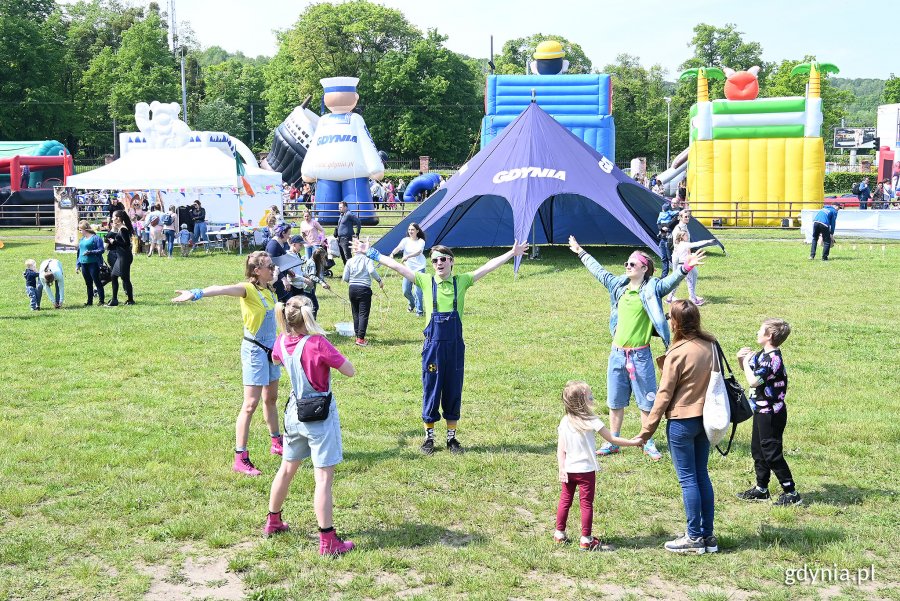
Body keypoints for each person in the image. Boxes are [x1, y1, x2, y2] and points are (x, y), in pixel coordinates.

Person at [358, 238, 529, 454]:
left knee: (453, 389)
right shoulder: (425, 282)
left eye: (443, 259)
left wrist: (512, 253)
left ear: (451, 262)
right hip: (433, 348)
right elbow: (398, 267)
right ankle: (429, 438)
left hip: (455, 348)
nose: (439, 263)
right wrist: (371, 253)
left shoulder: (462, 281)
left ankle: (451, 438)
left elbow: (487, 267)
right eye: (435, 260)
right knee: (431, 388)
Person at [568, 236, 705, 461]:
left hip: (641, 355)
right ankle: (613, 440)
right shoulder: (619, 285)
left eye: (632, 264)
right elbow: (599, 271)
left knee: (646, 401)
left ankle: (646, 440)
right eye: (626, 263)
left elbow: (670, 281)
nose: (627, 266)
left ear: (644, 268)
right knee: (615, 400)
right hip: (617, 354)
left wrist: (685, 266)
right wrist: (581, 251)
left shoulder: (652, 288)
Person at [172, 251, 284, 476]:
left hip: (272, 351)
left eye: (273, 266)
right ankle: (240, 457)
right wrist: (196, 293)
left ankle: (276, 443)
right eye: (269, 266)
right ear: (256, 271)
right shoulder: (247, 289)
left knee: (271, 398)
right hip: (254, 351)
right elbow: (220, 288)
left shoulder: (269, 289)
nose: (273, 269)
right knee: (250, 404)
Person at [264, 295, 356, 555]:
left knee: (286, 469)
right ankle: (328, 540)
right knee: (323, 478)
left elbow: (275, 359)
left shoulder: (282, 341)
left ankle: (273, 521)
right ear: (310, 314)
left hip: (294, 413)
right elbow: (349, 371)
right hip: (319, 415)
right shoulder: (318, 343)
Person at [631, 300, 718, 554]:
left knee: (688, 479)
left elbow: (663, 395)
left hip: (682, 422)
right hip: (706, 420)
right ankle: (707, 536)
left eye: (670, 317)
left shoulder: (677, 352)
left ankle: (692, 538)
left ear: (676, 322)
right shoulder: (711, 345)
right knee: (702, 475)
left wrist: (646, 431)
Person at [555, 381, 640, 551]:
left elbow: (561, 450)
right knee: (586, 503)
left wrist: (562, 468)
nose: (593, 398)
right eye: (590, 396)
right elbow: (612, 440)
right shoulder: (592, 420)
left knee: (565, 501)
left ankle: (559, 534)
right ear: (582, 401)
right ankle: (586, 539)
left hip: (569, 470)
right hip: (586, 471)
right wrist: (633, 442)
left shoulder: (565, 421)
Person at [736, 318, 802, 506]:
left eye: (760, 330)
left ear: (769, 336)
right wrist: (741, 359)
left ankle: (791, 492)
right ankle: (761, 488)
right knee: (758, 450)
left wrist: (747, 365)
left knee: (771, 452)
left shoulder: (773, 359)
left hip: (772, 413)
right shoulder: (762, 355)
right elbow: (748, 370)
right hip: (761, 410)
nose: (757, 332)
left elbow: (753, 381)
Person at [342, 243, 384, 346]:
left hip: (352, 288)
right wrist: (379, 280)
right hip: (364, 288)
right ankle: (360, 339)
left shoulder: (349, 261)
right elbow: (371, 270)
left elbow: (345, 278)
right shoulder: (367, 259)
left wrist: (353, 282)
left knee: (355, 313)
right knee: (363, 314)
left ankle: (358, 336)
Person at [389, 223, 427, 316]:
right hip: (408, 268)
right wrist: (392, 254)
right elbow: (398, 248)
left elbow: (419, 252)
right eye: (409, 229)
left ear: (417, 231)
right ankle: (412, 303)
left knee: (418, 291)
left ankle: (419, 312)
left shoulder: (421, 241)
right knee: (406, 290)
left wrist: (407, 256)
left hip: (419, 268)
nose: (410, 231)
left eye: (412, 230)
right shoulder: (405, 240)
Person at [105, 210, 136, 306]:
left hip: (125, 257)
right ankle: (114, 300)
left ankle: (130, 300)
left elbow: (126, 244)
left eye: (113, 217)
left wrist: (114, 242)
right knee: (114, 276)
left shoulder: (123, 229)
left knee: (125, 278)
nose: (112, 218)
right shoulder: (119, 229)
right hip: (121, 256)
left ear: (118, 218)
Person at [75, 220, 105, 306]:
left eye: (81, 229)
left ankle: (101, 301)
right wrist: (77, 264)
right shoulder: (82, 239)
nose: (80, 231)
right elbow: (79, 253)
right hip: (84, 263)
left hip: (93, 263)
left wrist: (90, 252)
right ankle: (89, 301)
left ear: (86, 229)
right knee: (88, 283)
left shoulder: (96, 238)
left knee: (97, 282)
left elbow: (101, 250)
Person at [295, 247, 330, 318]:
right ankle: (310, 323)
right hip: (306, 288)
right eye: (323, 257)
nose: (323, 258)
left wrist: (324, 282)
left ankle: (310, 323)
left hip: (311, 288)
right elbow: (312, 276)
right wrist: (321, 283)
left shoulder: (316, 262)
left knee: (313, 307)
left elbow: (318, 275)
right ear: (319, 257)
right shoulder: (312, 263)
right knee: (313, 307)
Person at [656, 196, 683, 278]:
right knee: (664, 258)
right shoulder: (667, 211)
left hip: (672, 238)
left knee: (671, 257)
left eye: (675, 203)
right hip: (663, 237)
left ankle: (680, 272)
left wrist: (664, 227)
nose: (673, 204)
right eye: (672, 203)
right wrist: (661, 228)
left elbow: (672, 224)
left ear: (678, 204)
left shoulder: (679, 214)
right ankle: (664, 276)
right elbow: (659, 223)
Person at [266, 224, 293, 301]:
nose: (289, 236)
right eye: (288, 234)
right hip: (275, 279)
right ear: (283, 233)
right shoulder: (273, 245)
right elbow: (272, 264)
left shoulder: (282, 243)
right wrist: (283, 279)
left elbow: (280, 261)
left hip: (281, 277)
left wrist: (288, 270)